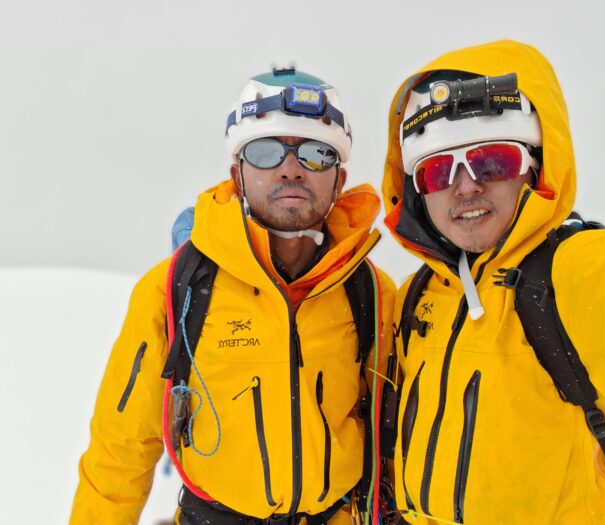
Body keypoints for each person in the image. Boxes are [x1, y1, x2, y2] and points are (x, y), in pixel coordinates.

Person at [379, 40, 605, 524]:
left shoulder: (579, 273)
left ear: (533, 165)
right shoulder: (419, 297)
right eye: (439, 170)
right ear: (417, 191)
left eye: (492, 162)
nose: (466, 186)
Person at [70, 67, 395, 525]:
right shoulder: (173, 289)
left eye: (317, 154)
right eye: (264, 152)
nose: (291, 168)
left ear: (339, 180)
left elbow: (396, 435)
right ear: (237, 174)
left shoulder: (373, 294)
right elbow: (121, 451)